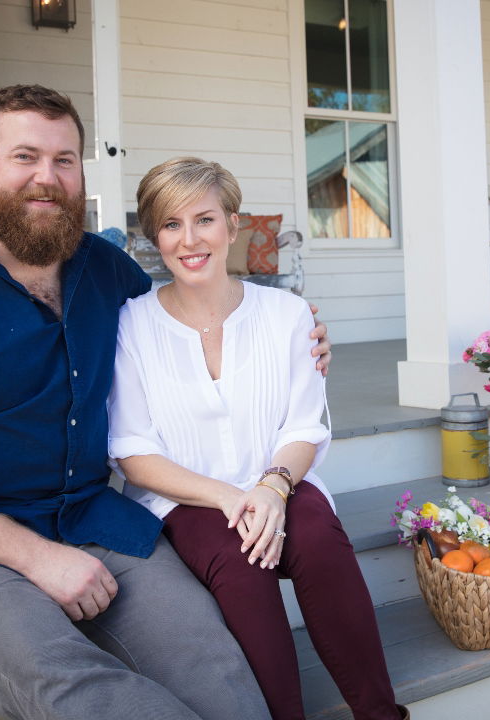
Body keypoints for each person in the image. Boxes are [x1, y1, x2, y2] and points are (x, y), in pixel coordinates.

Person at [0, 85, 331, 720]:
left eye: (64, 160)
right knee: (74, 681)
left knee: (215, 664)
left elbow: (187, 334)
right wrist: (37, 558)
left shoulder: (108, 273)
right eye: (25, 156)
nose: (46, 178)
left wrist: (295, 342)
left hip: (86, 517)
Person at [109, 157, 405, 720]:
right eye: (171, 224)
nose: (190, 240)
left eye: (204, 219)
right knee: (239, 560)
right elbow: (134, 453)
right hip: (185, 497)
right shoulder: (131, 324)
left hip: (279, 477)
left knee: (316, 535)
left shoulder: (287, 314)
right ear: (154, 237)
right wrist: (230, 498)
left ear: (232, 225)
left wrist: (272, 487)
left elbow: (304, 427)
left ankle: (380, 713)